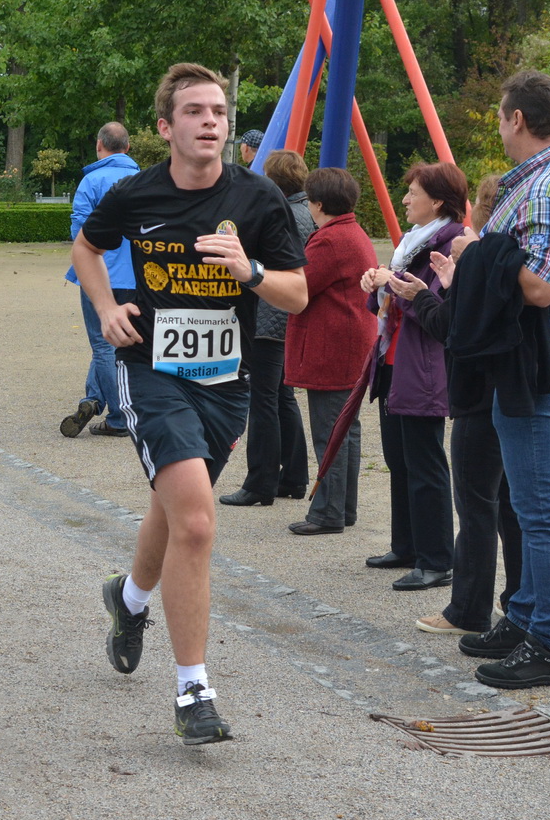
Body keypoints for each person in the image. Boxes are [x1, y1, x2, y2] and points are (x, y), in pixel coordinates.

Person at [73, 62, 307, 746]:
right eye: (197, 111)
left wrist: (250, 272)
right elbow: (88, 248)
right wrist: (106, 304)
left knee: (174, 508)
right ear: (165, 126)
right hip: (152, 372)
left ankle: (130, 598)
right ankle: (193, 689)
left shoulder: (259, 200)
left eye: (220, 111)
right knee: (199, 523)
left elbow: (297, 294)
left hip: (225, 383)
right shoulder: (134, 192)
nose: (212, 121)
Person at [455, 70, 550, 689]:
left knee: (541, 512)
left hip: (543, 369)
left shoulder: (544, 189)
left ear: (517, 118)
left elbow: (541, 285)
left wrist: (476, 255)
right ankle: (523, 618)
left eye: (498, 114)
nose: (497, 123)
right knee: (527, 502)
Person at [385, 176, 525, 637]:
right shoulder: (506, 257)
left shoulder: (479, 253)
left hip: (477, 392)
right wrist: (445, 284)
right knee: (508, 504)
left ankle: (469, 609)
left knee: (479, 502)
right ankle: (517, 605)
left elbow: (455, 327)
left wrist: (424, 294)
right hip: (505, 389)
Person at [359, 163, 467, 590]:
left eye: (413, 192)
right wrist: (376, 285)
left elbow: (436, 309)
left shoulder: (451, 243)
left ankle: (437, 559)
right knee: (398, 460)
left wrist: (393, 283)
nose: (405, 199)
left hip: (421, 363)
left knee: (425, 463)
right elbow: (388, 305)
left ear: (437, 200)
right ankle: (406, 545)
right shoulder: (412, 242)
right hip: (394, 360)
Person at [283, 167, 377, 536]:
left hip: (331, 348)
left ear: (319, 204)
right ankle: (342, 507)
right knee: (345, 431)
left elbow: (299, 288)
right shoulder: (353, 232)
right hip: (352, 344)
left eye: (309, 200)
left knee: (330, 432)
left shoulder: (329, 240)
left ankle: (327, 512)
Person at [222, 150, 316, 505]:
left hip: (267, 317)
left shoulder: (280, 215)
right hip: (288, 317)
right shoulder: (307, 212)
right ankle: (293, 476)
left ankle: (260, 482)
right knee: (281, 396)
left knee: (262, 399)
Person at [59, 122, 140, 439]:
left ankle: (120, 417)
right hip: (137, 277)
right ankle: (93, 399)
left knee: (103, 345)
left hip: (99, 275)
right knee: (123, 345)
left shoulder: (91, 181)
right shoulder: (144, 180)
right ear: (128, 148)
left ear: (99, 146)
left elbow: (79, 232)